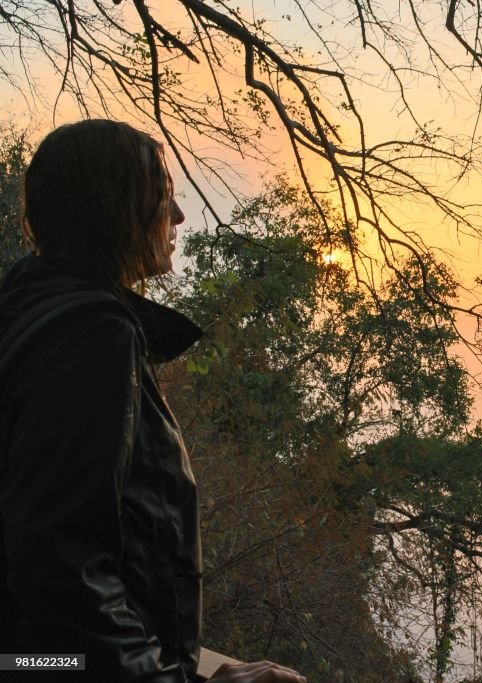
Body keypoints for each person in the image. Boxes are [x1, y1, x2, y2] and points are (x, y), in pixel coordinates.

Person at [0, 120, 305, 683]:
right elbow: (59, 564)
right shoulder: (91, 334)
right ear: (114, 212)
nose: (180, 218)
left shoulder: (31, 307)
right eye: (164, 199)